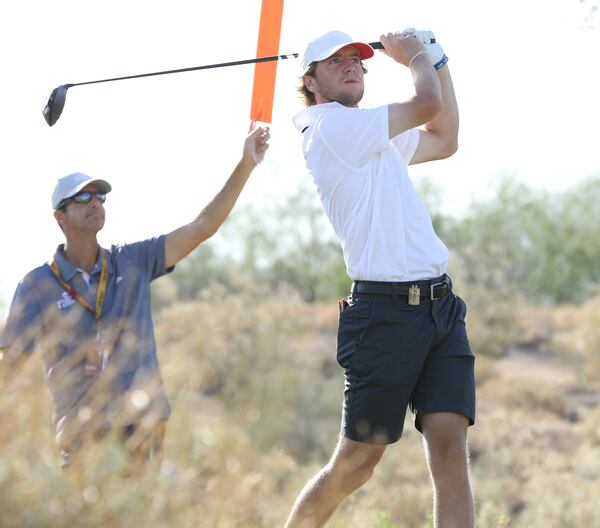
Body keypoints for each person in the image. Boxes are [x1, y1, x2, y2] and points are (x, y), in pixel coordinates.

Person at [0, 123, 270, 476]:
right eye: (82, 198)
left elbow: (203, 226)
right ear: (59, 217)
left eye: (99, 197)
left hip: (143, 424)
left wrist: (246, 164)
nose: (94, 202)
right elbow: (10, 363)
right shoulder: (37, 284)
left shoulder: (133, 260)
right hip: (82, 432)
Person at [285, 29, 475, 527]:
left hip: (440, 308)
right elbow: (426, 100)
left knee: (450, 447)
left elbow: (446, 139)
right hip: (384, 317)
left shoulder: (372, 132)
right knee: (355, 465)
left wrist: (435, 55)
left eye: (357, 59)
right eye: (336, 61)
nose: (351, 65)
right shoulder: (329, 127)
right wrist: (415, 56)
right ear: (311, 80)